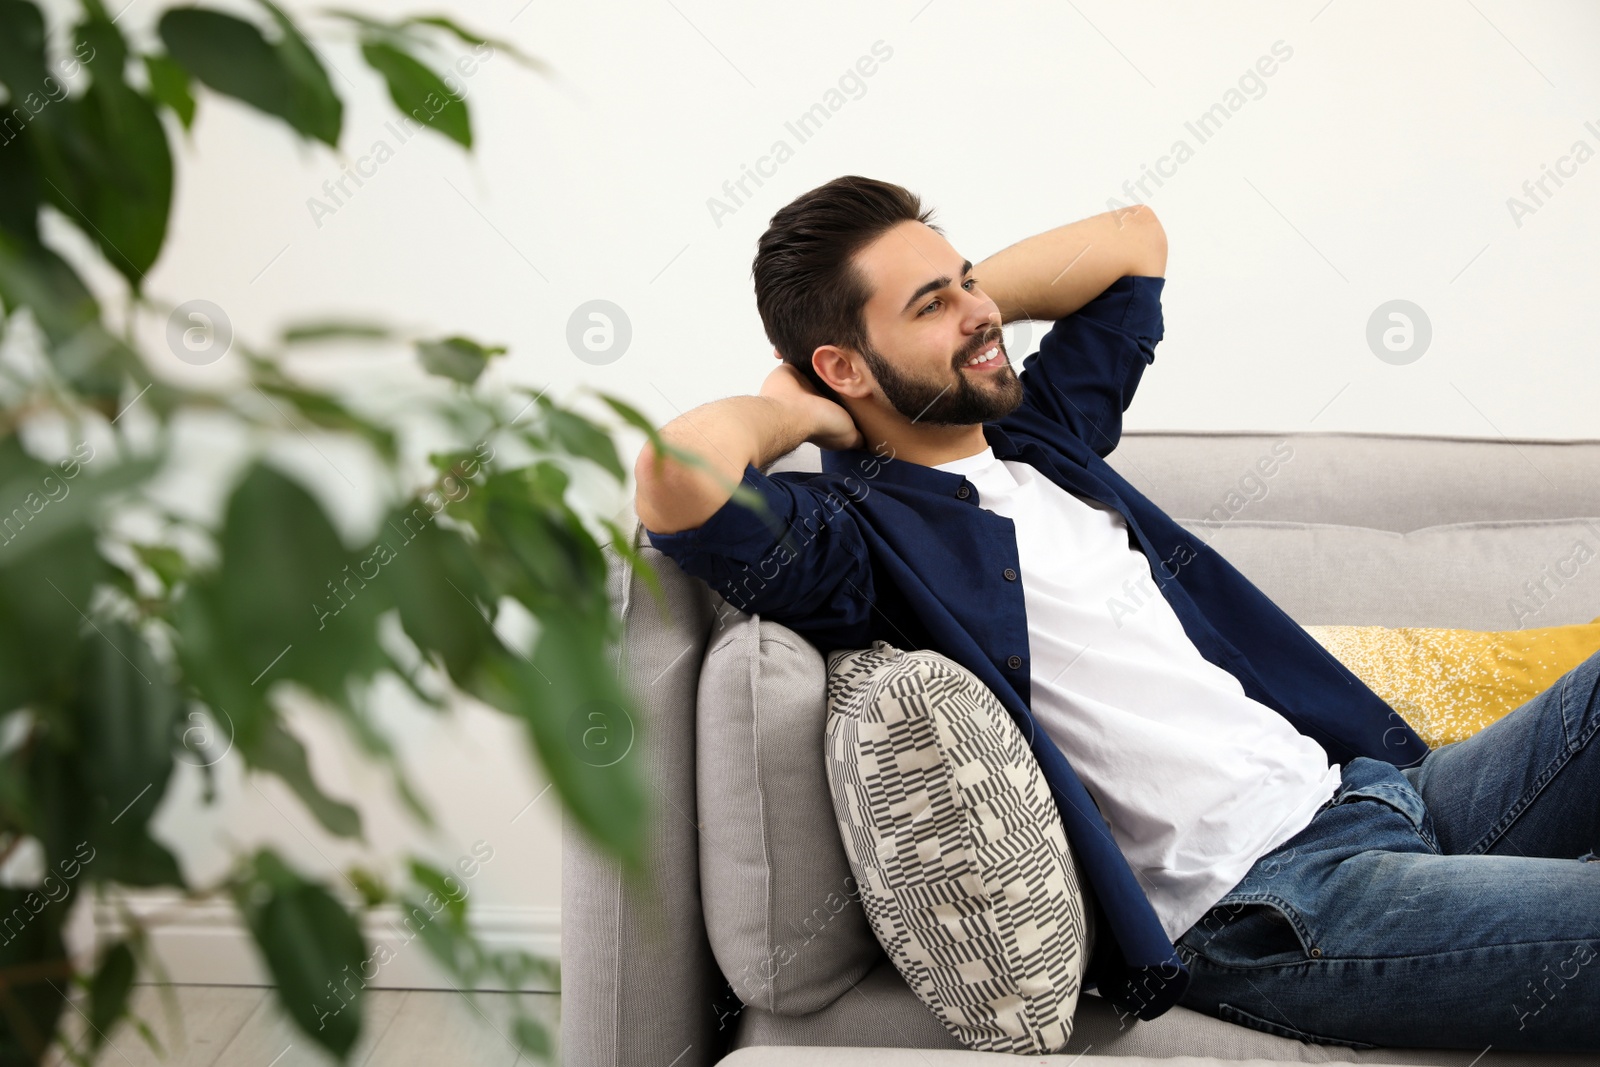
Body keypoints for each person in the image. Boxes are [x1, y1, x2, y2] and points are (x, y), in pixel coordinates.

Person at [633, 175, 1600, 1052]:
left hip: (1380, 794)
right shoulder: (858, 539)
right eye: (933, 304)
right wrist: (797, 409)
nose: (981, 314)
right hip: (1277, 908)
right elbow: (678, 477)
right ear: (842, 367)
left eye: (968, 281)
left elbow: (1133, 238)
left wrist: (960, 311)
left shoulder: (1038, 439)